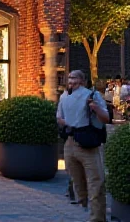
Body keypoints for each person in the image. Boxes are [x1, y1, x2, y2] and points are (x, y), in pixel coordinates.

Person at [57, 69, 109, 222]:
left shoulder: (91, 96)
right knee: (78, 183)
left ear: (82, 81)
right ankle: (85, 203)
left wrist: (95, 108)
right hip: (70, 142)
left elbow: (105, 118)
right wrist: (69, 125)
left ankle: (97, 218)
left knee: (95, 182)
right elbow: (59, 117)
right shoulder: (64, 96)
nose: (71, 82)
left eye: (74, 79)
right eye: (70, 79)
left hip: (88, 144)